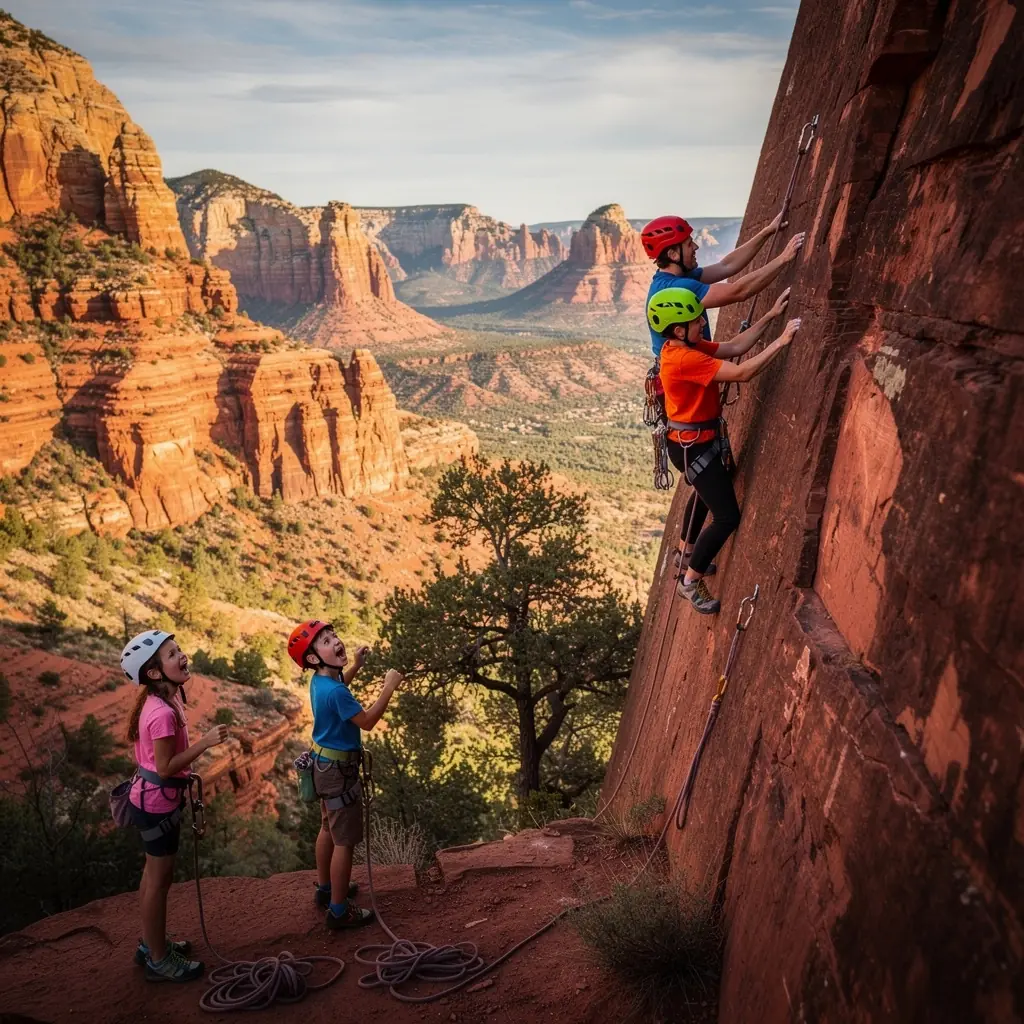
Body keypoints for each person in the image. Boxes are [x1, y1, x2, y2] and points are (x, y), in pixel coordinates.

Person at [648, 284, 801, 613]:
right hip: (693, 448)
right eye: (695, 320)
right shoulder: (683, 359)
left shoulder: (681, 347)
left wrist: (772, 315)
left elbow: (732, 347)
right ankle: (690, 581)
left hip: (695, 442)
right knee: (727, 516)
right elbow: (743, 372)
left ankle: (686, 551)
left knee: (706, 492)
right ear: (678, 329)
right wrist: (782, 340)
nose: (702, 322)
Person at [122, 629, 228, 982]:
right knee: (159, 881)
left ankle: (150, 943)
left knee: (152, 876)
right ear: (154, 673)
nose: (181, 656)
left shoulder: (168, 699)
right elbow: (166, 766)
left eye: (178, 649)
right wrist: (206, 743)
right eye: (171, 654)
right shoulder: (161, 713)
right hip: (156, 803)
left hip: (152, 799)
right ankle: (158, 958)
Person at [287, 619, 404, 930]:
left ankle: (326, 889)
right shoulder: (334, 691)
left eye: (333, 634)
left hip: (322, 764)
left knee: (327, 827)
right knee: (345, 841)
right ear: (313, 658)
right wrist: (388, 688)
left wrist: (356, 666)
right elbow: (365, 721)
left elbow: (340, 690)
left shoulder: (319, 682)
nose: (335, 640)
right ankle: (339, 910)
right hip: (339, 772)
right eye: (325, 640)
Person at [640, 214, 806, 361]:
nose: (696, 247)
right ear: (673, 254)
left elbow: (726, 266)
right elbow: (739, 291)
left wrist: (767, 232)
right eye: (690, 244)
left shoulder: (675, 276)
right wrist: (783, 259)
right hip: (687, 370)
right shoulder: (678, 288)